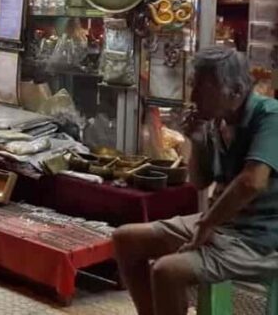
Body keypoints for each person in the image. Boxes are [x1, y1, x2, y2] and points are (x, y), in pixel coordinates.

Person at [113, 47, 278, 315]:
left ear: (235, 91)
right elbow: (200, 182)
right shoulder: (218, 121)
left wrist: (207, 223)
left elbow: (252, 182)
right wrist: (198, 141)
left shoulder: (270, 117)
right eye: (193, 86)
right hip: (222, 225)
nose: (193, 98)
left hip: (258, 239)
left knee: (166, 270)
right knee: (126, 239)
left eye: (203, 90)